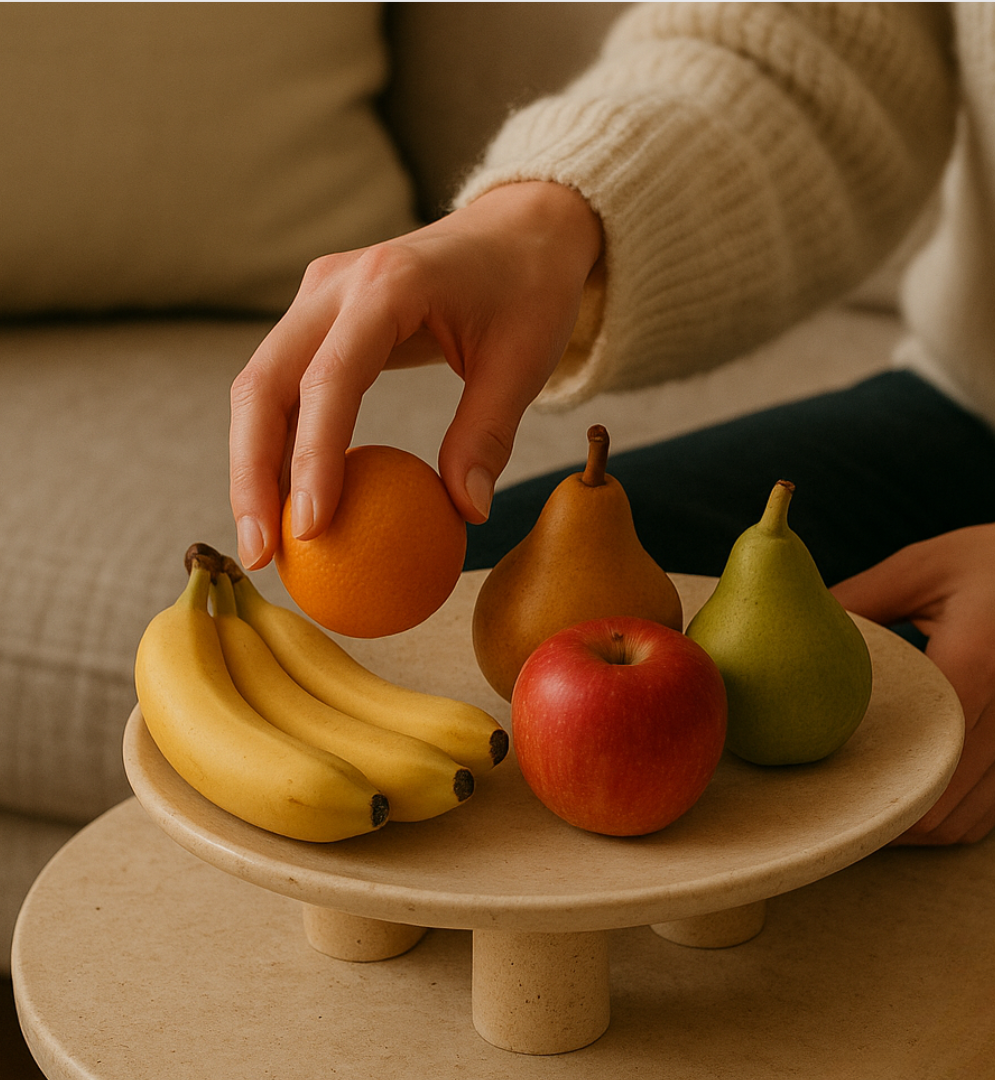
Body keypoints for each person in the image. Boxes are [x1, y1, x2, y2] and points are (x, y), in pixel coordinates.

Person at [228, 4, 995, 844]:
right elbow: (812, 43)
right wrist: (543, 223)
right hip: (969, 407)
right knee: (492, 575)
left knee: (874, 770)